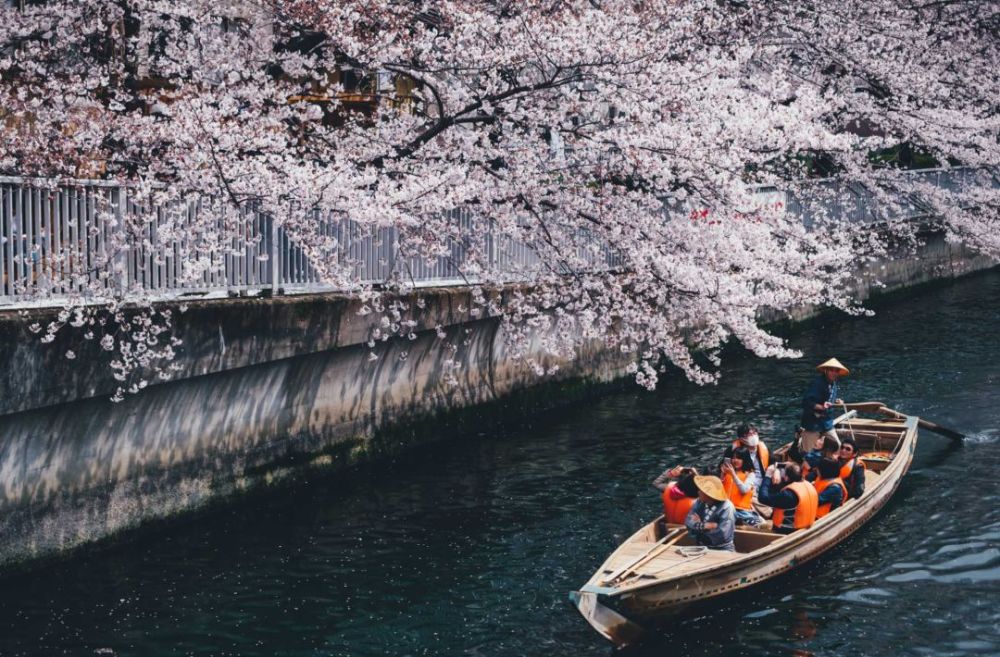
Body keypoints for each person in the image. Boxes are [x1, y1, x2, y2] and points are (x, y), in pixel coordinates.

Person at [799, 358, 849, 454]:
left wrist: (837, 402)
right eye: (831, 370)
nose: (834, 373)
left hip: (826, 422)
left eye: (836, 371)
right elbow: (806, 402)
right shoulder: (817, 383)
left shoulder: (833, 383)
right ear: (826, 370)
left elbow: (828, 399)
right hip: (812, 423)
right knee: (809, 453)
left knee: (837, 446)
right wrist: (821, 407)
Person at [757, 462, 818, 534]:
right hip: (805, 527)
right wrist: (777, 469)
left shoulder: (789, 495)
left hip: (788, 532)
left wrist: (768, 476)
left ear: (786, 477)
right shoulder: (809, 485)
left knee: (760, 525)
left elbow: (763, 498)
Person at [684, 475, 736, 551]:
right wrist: (703, 526)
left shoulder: (727, 507)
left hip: (723, 549)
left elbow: (722, 535)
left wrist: (698, 528)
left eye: (702, 490)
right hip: (701, 546)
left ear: (709, 494)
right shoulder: (699, 502)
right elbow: (688, 522)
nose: (698, 492)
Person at [721, 448, 763, 527]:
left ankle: (754, 521)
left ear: (745, 459)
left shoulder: (750, 474)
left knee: (752, 521)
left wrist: (733, 475)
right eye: (733, 458)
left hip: (741, 511)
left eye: (738, 458)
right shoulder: (727, 472)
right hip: (726, 508)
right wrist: (722, 475)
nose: (735, 460)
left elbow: (744, 490)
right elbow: (718, 490)